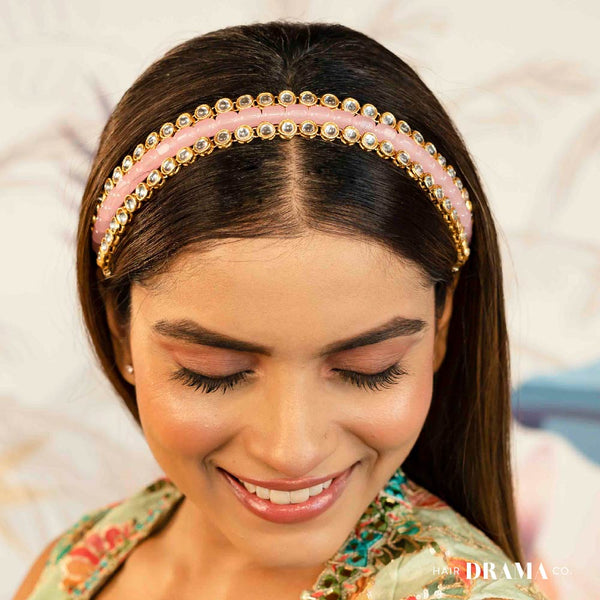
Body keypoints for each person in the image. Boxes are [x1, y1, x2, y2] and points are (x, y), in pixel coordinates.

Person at [14, 20, 549, 600]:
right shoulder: (78, 564)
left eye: (368, 368)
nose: (292, 451)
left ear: (441, 327)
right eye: (212, 373)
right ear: (120, 333)